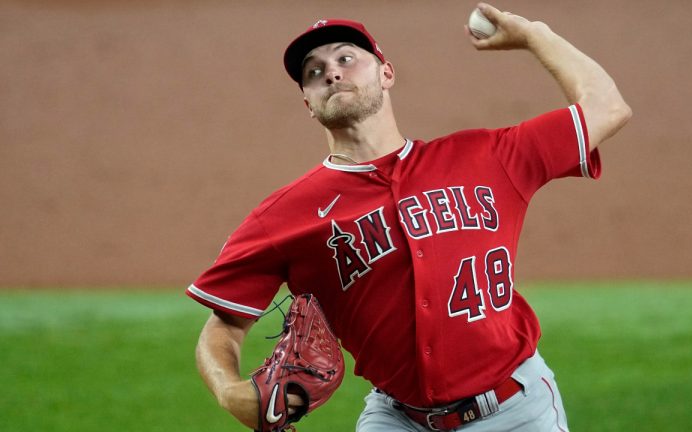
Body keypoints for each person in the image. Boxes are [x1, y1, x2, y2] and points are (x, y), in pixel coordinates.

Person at [187, 3, 631, 431]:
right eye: (314, 72)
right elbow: (225, 323)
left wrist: (536, 35)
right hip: (397, 418)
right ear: (308, 102)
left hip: (517, 409)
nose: (332, 72)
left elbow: (608, 108)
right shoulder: (282, 216)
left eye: (346, 58)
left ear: (386, 73)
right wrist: (229, 392)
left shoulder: (489, 156)